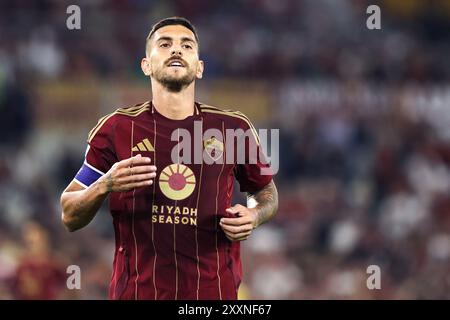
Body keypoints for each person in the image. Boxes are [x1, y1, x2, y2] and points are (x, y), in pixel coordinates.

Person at [60, 16, 278, 300]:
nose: (176, 50)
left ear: (199, 68)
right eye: (165, 44)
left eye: (187, 46)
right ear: (146, 65)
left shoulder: (233, 129)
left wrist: (254, 214)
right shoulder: (117, 128)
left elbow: (266, 192)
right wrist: (105, 184)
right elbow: (69, 214)